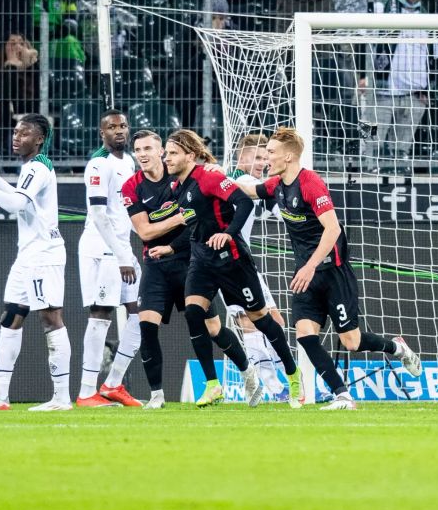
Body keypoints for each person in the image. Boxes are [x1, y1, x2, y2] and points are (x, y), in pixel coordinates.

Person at [237, 127, 423, 410]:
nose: (266, 160)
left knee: (351, 341)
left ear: (288, 157)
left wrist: (311, 265)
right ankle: (342, 395)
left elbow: (333, 229)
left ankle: (398, 348)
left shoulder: (311, 183)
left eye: (271, 153)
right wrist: (214, 177)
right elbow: (249, 190)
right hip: (305, 275)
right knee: (305, 337)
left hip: (332, 273)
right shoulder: (276, 186)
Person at [164, 129, 301, 408]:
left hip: (233, 260)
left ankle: (292, 374)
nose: (166, 158)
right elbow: (195, 225)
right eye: (166, 153)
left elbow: (242, 204)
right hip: (202, 260)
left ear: (190, 155)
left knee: (262, 320)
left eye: (173, 153)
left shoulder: (211, 177)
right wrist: (172, 247)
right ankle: (213, 385)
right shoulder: (178, 188)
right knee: (193, 312)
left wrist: (227, 233)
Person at [122, 130, 243, 409]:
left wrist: (217, 169)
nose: (142, 154)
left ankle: (247, 372)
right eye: (138, 149)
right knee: (146, 326)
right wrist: (181, 216)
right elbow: (145, 230)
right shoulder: (132, 187)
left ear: (161, 151)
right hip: (155, 261)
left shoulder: (178, 172)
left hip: (190, 257)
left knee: (212, 327)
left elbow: (206, 190)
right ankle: (156, 396)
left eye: (148, 148)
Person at [0, 114, 72, 411]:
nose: (16, 136)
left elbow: (15, 204)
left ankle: (61, 398)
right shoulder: (30, 167)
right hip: (28, 256)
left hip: (44, 254)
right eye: (15, 131)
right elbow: (20, 198)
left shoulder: (38, 166)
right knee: (11, 317)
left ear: (39, 139)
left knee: (51, 319)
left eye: (24, 133)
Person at [76, 110, 141, 408]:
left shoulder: (128, 162)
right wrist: (121, 254)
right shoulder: (98, 164)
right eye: (112, 127)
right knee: (100, 315)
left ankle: (113, 383)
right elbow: (99, 215)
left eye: (123, 126)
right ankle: (87, 391)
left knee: (144, 312)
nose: (119, 131)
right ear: (101, 133)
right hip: (103, 251)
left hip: (122, 250)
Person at [225, 134, 291, 402]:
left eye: (266, 158)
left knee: (275, 321)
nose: (264, 163)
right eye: (259, 158)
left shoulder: (246, 180)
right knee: (248, 322)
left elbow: (275, 206)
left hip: (245, 261)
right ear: (242, 158)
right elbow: (271, 195)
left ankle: (279, 380)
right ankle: (274, 387)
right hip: (228, 262)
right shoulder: (242, 180)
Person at [363, 0, 438, 172]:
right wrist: (363, 76)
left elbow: (435, 57)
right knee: (371, 144)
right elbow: (362, 45)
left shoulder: (429, 18)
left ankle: (399, 188)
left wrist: (428, 88)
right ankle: (367, 180)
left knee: (401, 150)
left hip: (415, 94)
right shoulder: (380, 9)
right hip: (381, 90)